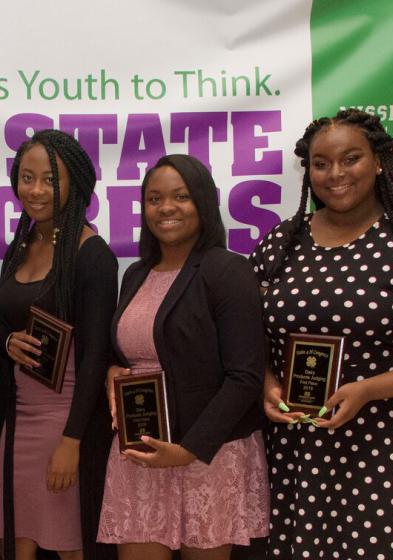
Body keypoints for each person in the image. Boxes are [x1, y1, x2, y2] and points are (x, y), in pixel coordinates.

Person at [252, 108, 393, 558]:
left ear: (379, 162)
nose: (335, 174)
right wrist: (266, 384)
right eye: (321, 163)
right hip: (302, 447)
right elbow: (250, 340)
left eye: (350, 159)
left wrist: (368, 390)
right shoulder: (279, 244)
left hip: (392, 441)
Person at [97, 154, 270, 560]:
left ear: (204, 203)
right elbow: (128, 352)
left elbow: (245, 376)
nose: (167, 208)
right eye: (155, 199)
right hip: (140, 452)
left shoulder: (228, 271)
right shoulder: (135, 274)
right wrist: (112, 371)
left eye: (181, 196)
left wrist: (189, 449)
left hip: (207, 455)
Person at [0, 129, 118, 560]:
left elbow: (97, 353)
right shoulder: (21, 245)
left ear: (75, 184)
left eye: (51, 179)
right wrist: (7, 340)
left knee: (67, 542)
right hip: (17, 417)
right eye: (27, 177)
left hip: (64, 420)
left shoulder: (92, 253)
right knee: (16, 538)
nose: (37, 190)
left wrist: (72, 439)